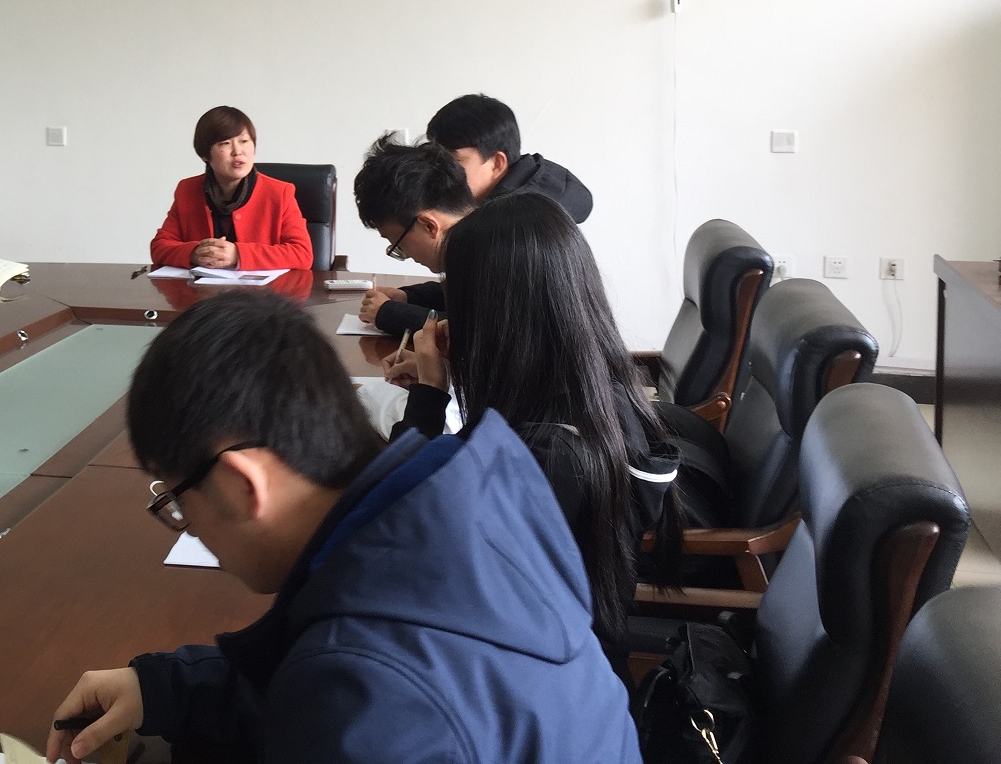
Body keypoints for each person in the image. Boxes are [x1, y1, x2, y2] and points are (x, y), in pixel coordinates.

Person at [45, 292, 641, 764]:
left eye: (177, 502)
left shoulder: (366, 700)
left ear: (242, 484)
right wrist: (167, 689)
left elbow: (364, 694)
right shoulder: (468, 502)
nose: (189, 528)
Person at [384, 192, 683, 670]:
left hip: (528, 677)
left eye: (459, 299)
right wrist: (455, 375)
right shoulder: (596, 388)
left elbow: (398, 521)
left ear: (495, 316)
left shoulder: (545, 456)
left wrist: (429, 394)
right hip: (545, 653)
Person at [149, 106, 312, 271]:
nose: (237, 151)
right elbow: (159, 247)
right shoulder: (187, 190)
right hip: (201, 287)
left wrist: (238, 254)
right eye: (225, 143)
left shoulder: (279, 192)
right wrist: (195, 253)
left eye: (244, 141)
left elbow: (302, 254)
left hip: (262, 288)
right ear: (205, 155)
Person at [351, 136, 475, 338]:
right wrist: (408, 297)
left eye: (398, 245)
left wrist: (388, 313)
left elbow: (473, 331)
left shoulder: (503, 254)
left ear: (429, 226)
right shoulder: (478, 243)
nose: (406, 255)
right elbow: (464, 298)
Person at [425, 93, 593, 222]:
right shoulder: (524, 183)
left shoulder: (514, 226)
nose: (438, 170)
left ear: (497, 163)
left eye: (453, 161)